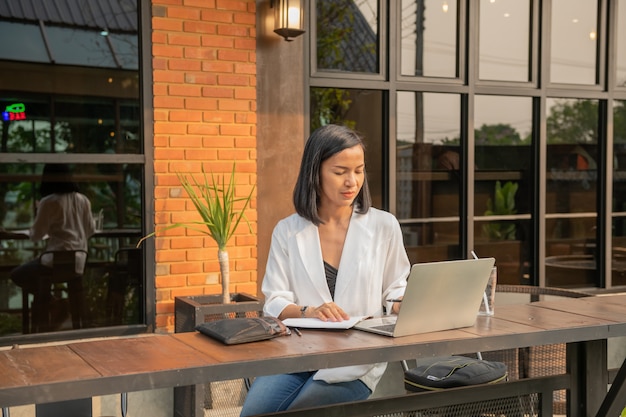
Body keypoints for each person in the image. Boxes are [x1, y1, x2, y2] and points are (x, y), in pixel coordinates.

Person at [239, 124, 411, 416]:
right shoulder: (288, 230)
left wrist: (403, 303)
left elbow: (395, 289)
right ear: (315, 173)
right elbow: (275, 301)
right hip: (297, 354)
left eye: (359, 170)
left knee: (305, 412)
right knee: (251, 413)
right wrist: (309, 311)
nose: (351, 181)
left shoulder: (384, 226)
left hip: (356, 357)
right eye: (340, 171)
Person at [10, 164, 96, 331]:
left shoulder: (49, 202)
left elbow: (36, 235)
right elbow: (90, 230)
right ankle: (61, 308)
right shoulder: (83, 200)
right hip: (78, 263)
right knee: (44, 273)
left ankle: (53, 302)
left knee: (17, 274)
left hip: (52, 264)